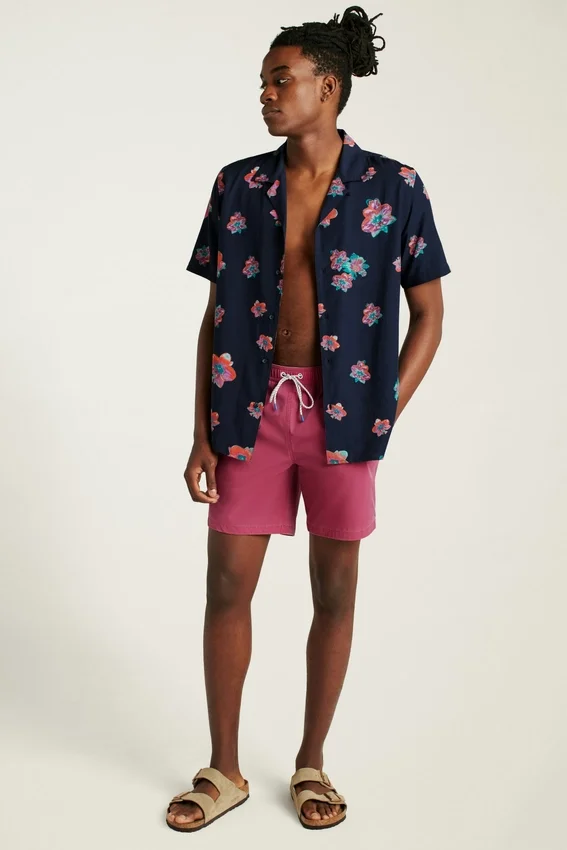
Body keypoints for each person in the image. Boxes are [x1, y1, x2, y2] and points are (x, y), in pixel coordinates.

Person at [166, 5, 451, 833]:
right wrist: (200, 430)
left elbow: (429, 314)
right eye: (262, 81)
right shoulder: (237, 185)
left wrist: (381, 409)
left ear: (327, 88)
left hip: (344, 421)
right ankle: (223, 769)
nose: (264, 93)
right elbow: (216, 315)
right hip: (246, 411)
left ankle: (310, 762)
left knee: (334, 590)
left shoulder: (394, 186)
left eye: (278, 80)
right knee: (227, 584)